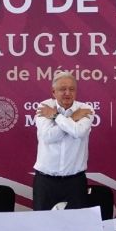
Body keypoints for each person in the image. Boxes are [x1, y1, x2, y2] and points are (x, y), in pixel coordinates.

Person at [33, 71, 93, 211]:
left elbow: (78, 132)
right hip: (45, 181)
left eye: (72, 89)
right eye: (62, 89)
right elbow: (48, 136)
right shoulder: (44, 107)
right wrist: (72, 119)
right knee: (44, 227)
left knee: (76, 227)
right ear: (53, 92)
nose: (67, 93)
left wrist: (55, 116)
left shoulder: (85, 109)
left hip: (75, 182)